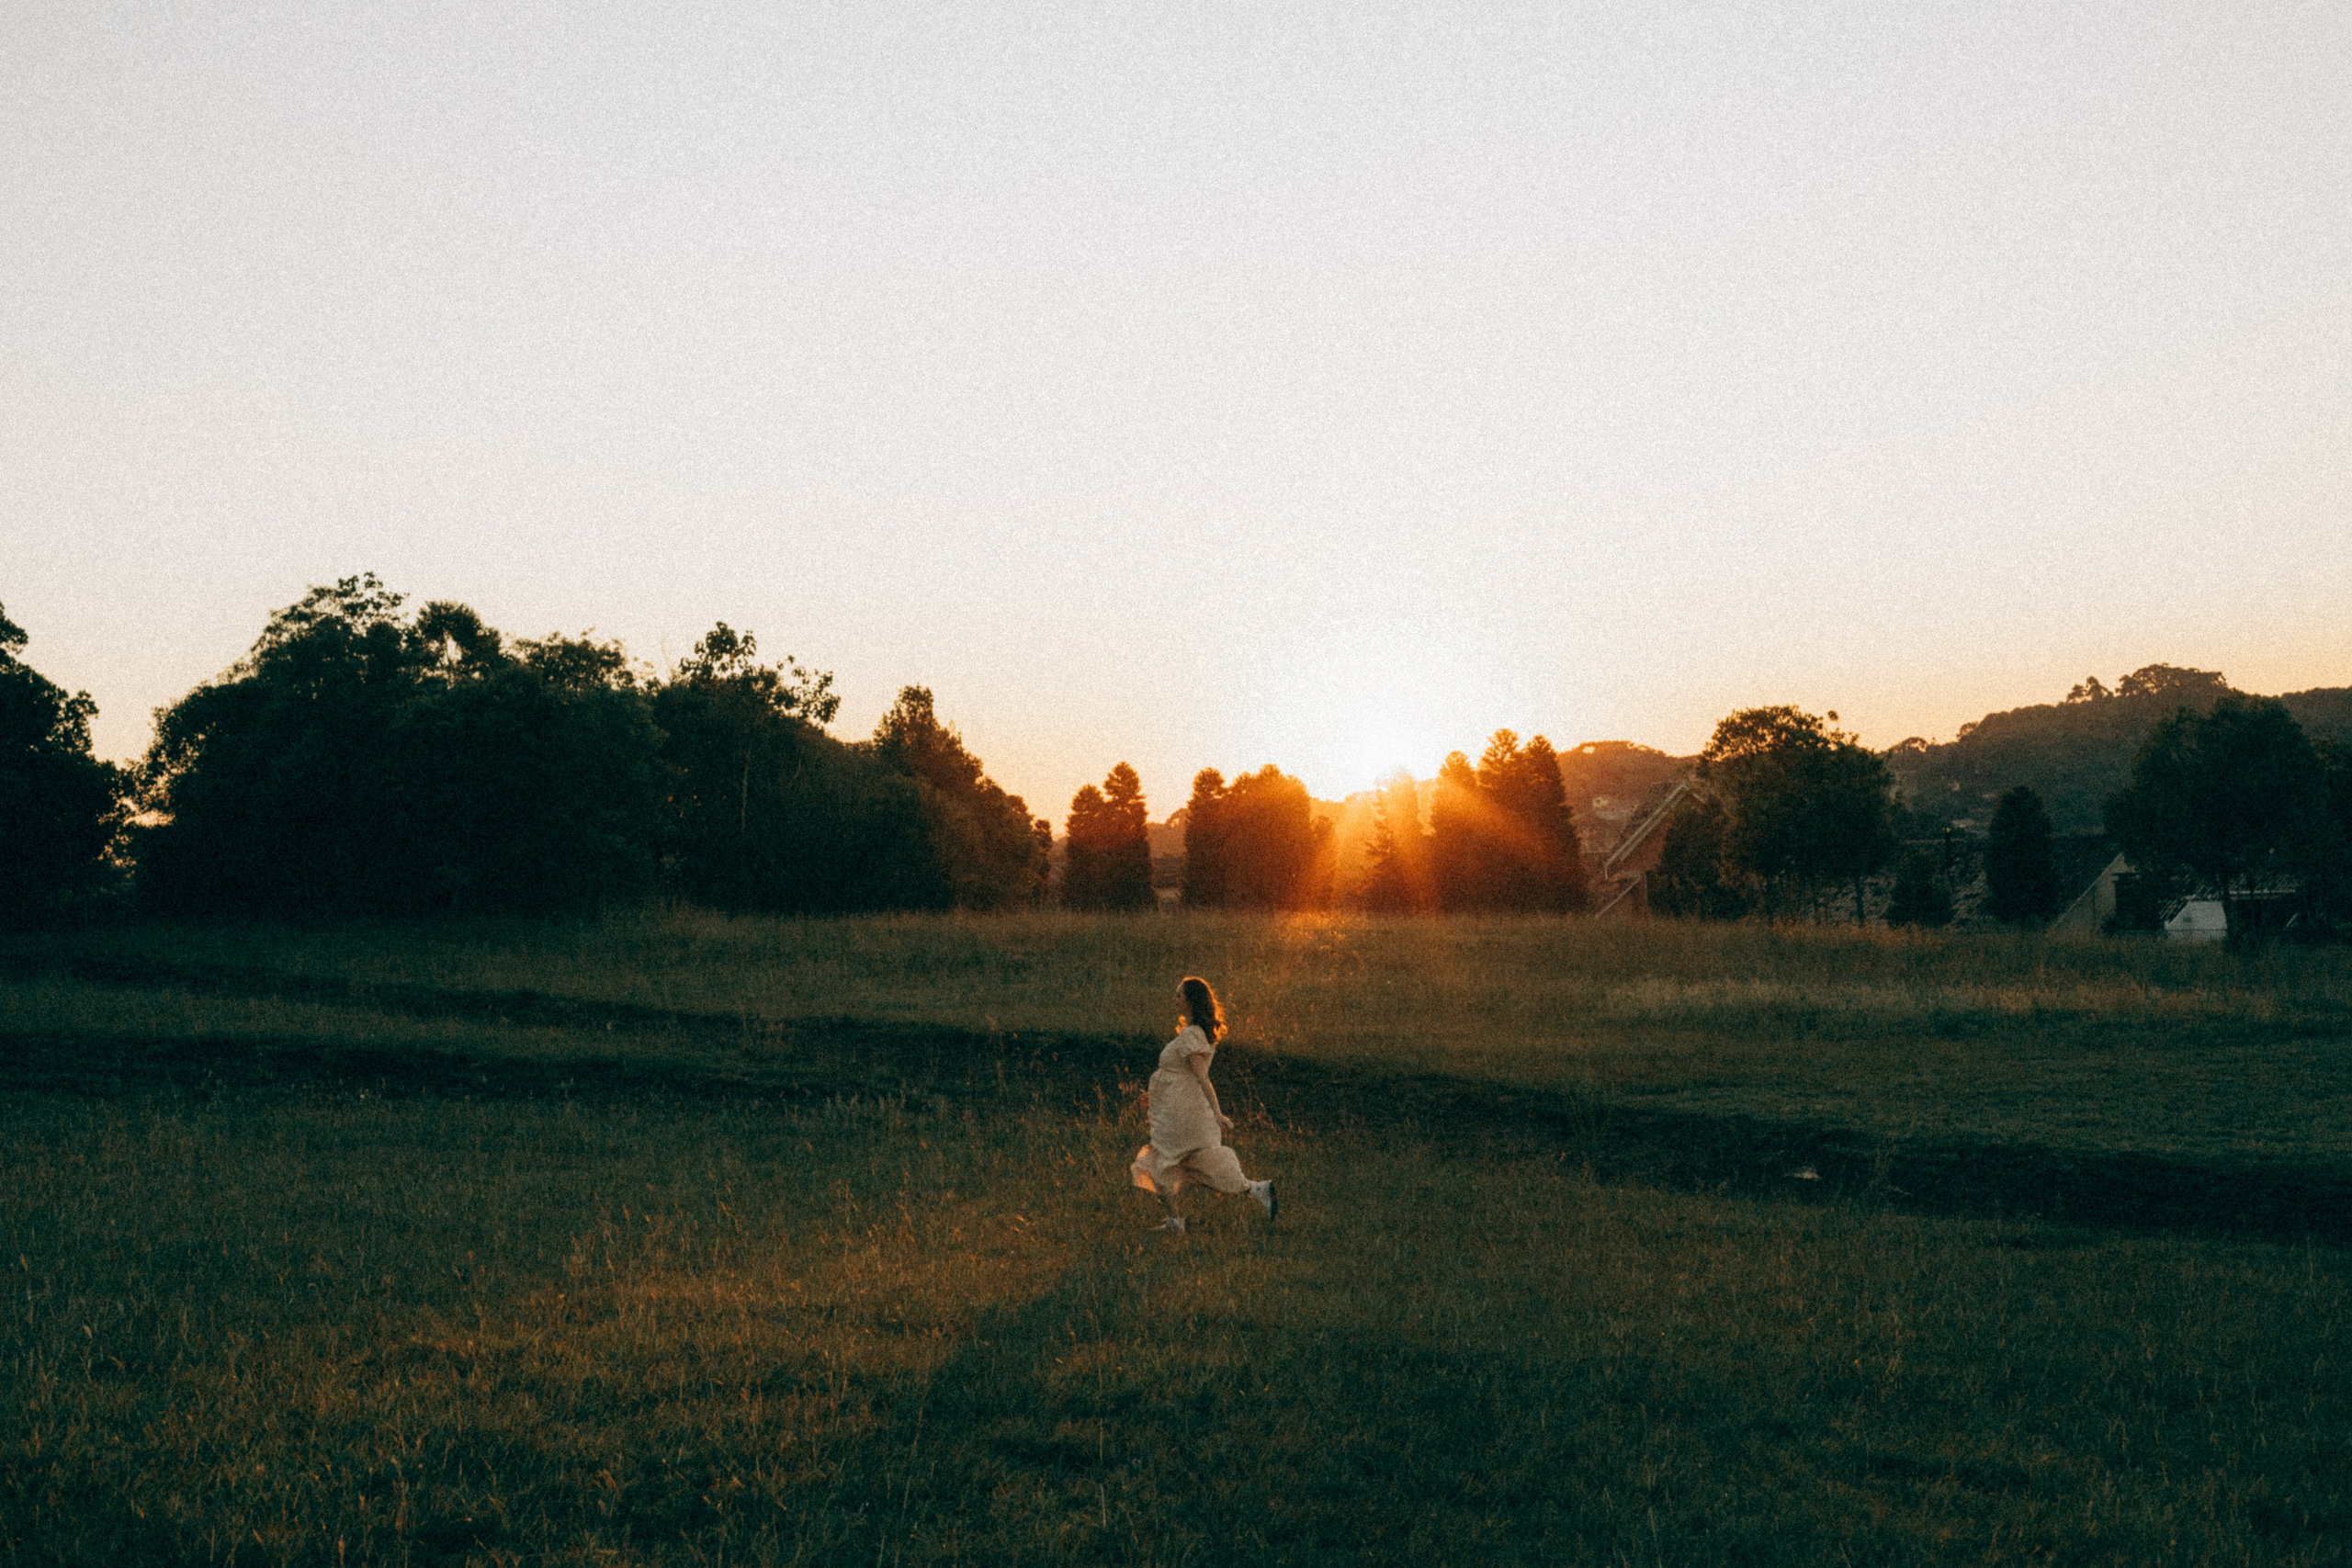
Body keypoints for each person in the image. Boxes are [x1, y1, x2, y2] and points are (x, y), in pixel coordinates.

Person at [1129, 976, 1275, 1233]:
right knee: (1191, 1163)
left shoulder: (1192, 1035)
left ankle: (1176, 1223)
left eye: (1179, 996)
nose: (1175, 1000)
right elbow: (1177, 1075)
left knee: (1162, 1162)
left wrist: (1218, 1114)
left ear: (1190, 1001)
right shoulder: (1192, 1033)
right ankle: (1255, 1188)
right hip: (1177, 1108)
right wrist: (1153, 1095)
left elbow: (1201, 1077)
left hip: (1182, 1113)